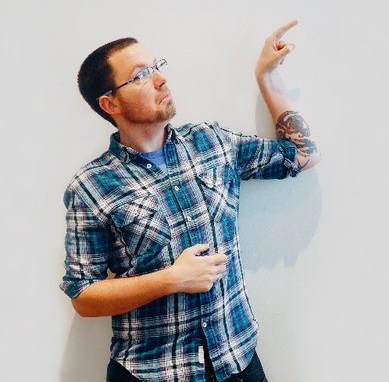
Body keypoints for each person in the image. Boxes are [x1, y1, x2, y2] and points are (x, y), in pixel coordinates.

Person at [60, 19, 320, 382]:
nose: (160, 79)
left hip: (237, 361)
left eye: (157, 66)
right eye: (140, 75)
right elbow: (83, 296)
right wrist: (171, 279)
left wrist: (266, 77)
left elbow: (302, 154)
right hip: (153, 372)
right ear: (110, 103)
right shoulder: (91, 186)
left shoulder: (211, 142)